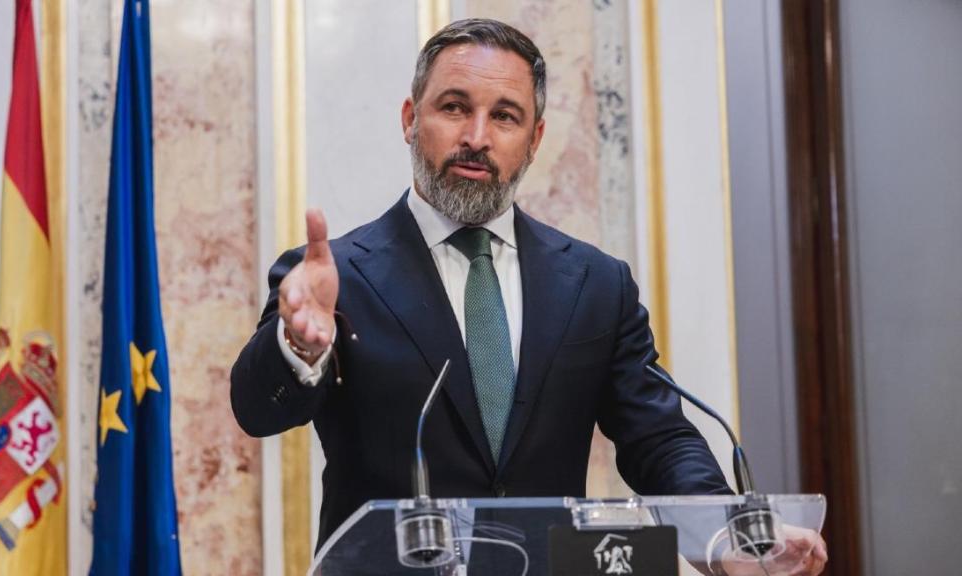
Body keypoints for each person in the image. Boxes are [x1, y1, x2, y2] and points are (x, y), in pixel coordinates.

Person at [230, 18, 827, 575]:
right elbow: (257, 410)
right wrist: (299, 348)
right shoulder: (337, 276)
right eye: (454, 107)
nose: (477, 136)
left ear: (535, 137)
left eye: (506, 116)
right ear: (411, 118)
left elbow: (659, 439)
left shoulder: (595, 283)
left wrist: (728, 539)